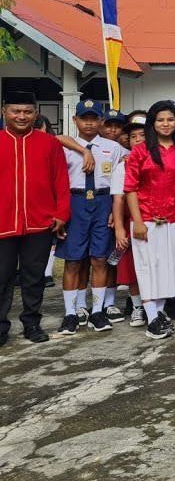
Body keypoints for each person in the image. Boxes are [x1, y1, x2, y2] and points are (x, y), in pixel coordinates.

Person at [0, 92, 70, 345]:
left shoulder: (49, 143)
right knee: (2, 278)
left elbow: (61, 181)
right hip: (3, 222)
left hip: (40, 222)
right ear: (4, 111)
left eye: (27, 112)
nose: (21, 116)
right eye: (15, 111)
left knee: (34, 278)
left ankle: (32, 323)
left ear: (35, 114)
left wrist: (62, 214)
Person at [58, 99, 129, 335]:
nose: (88, 123)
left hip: (103, 201)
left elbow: (129, 164)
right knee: (73, 260)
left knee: (100, 258)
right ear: (75, 120)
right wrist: (83, 150)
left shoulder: (113, 147)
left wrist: (114, 211)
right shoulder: (66, 146)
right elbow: (53, 138)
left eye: (93, 118)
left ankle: (97, 310)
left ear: (101, 121)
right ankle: (70, 313)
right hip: (75, 201)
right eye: (83, 118)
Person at [124, 101, 175, 340]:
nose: (166, 124)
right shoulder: (141, 151)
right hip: (147, 220)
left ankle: (160, 315)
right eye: (161, 120)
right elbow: (130, 188)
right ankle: (152, 317)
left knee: (167, 269)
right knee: (147, 268)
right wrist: (138, 221)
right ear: (153, 123)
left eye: (171, 120)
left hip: (172, 219)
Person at [111, 117, 148, 327]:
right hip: (131, 220)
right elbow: (118, 199)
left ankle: (157, 306)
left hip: (156, 219)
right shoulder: (122, 166)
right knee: (134, 268)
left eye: (142, 135)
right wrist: (119, 228)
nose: (138, 140)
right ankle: (137, 307)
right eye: (133, 136)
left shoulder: (159, 159)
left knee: (154, 265)